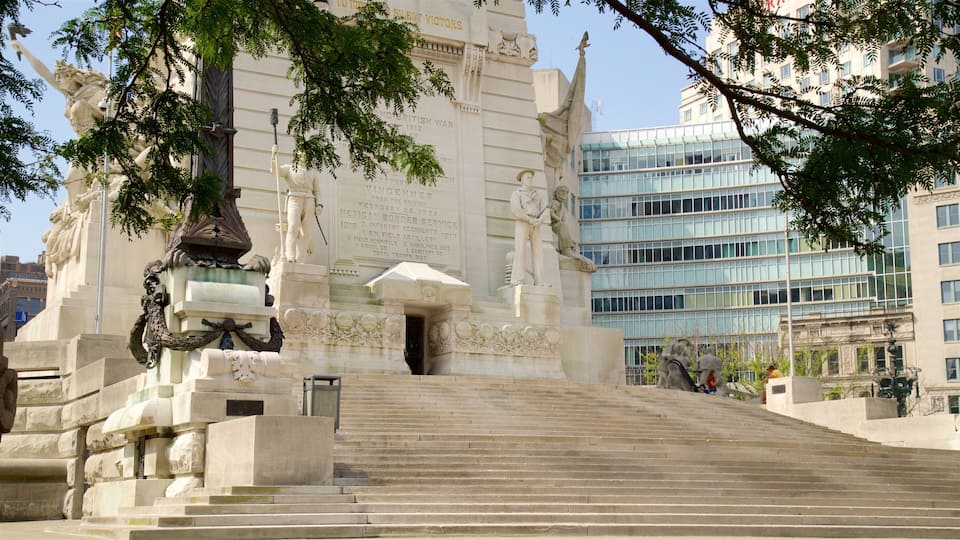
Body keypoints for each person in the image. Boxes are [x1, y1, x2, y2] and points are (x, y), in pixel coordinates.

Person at [271, 145, 322, 263]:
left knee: (306, 232)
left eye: (305, 154)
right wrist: (273, 156)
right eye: (301, 153)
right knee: (293, 226)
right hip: (294, 198)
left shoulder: (313, 171)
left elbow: (317, 190)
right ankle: (290, 255)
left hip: (309, 199)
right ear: (297, 155)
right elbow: (276, 171)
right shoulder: (289, 168)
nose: (303, 156)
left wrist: (319, 205)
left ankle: (300, 259)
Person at [510, 168, 550, 286]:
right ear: (522, 180)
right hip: (523, 222)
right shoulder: (517, 194)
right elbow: (516, 209)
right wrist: (528, 219)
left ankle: (539, 280)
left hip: (536, 223)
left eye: (531, 177)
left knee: (538, 251)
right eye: (528, 177)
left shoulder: (537, 195)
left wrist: (541, 219)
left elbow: (545, 208)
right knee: (520, 250)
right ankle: (518, 279)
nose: (530, 179)